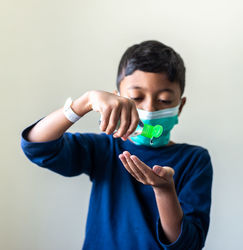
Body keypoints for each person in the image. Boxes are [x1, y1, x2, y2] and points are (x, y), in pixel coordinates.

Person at [21, 40, 213, 250]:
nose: (149, 109)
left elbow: (189, 244)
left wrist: (164, 191)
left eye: (165, 100)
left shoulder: (195, 159)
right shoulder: (104, 148)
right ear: (117, 98)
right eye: (136, 97)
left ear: (180, 106)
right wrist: (83, 103)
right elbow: (37, 145)